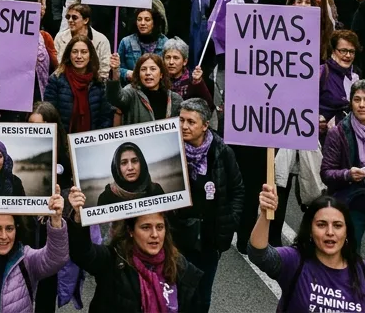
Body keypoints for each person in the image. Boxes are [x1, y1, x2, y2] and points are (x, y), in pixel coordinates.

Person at [249, 183, 365, 313]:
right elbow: (259, 255)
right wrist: (265, 215)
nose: (330, 232)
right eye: (321, 225)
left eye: (337, 225)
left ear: (346, 231)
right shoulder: (295, 260)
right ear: (310, 231)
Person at [67, 186, 202, 313]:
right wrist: (78, 220)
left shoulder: (180, 266)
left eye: (160, 227)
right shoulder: (113, 260)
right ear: (130, 231)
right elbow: (82, 253)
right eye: (146, 227)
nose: (154, 234)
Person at [321, 79, 365, 303]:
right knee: (347, 266)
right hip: (350, 209)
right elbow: (327, 172)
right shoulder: (339, 132)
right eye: (357, 99)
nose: (362, 105)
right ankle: (350, 305)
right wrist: (347, 175)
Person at [177, 97, 243, 313]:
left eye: (191, 122)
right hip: (177, 237)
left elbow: (237, 190)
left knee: (202, 297)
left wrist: (229, 222)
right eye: (181, 120)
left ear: (205, 125)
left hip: (209, 239)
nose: (184, 126)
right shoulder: (171, 150)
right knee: (176, 294)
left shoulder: (222, 152)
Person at [43, 38, 113, 134]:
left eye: (84, 52)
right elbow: (49, 115)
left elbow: (105, 117)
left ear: (90, 55)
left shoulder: (98, 82)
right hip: (62, 142)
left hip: (91, 143)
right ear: (69, 55)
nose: (79, 56)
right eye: (75, 52)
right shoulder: (56, 80)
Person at [107, 51, 183, 124]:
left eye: (153, 69)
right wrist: (115, 71)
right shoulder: (131, 92)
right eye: (143, 69)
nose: (148, 73)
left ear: (161, 74)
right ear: (138, 74)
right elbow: (115, 98)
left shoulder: (175, 99)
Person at [95, 142, 163, 208]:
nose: (130, 168)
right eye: (124, 163)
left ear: (141, 163)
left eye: (134, 161)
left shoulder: (155, 190)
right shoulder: (106, 198)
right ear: (117, 167)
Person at [116, 7, 168, 84]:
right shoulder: (126, 42)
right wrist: (127, 73)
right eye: (139, 19)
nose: (142, 23)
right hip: (132, 89)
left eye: (147, 20)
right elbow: (117, 69)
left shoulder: (165, 43)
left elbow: (169, 71)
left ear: (154, 22)